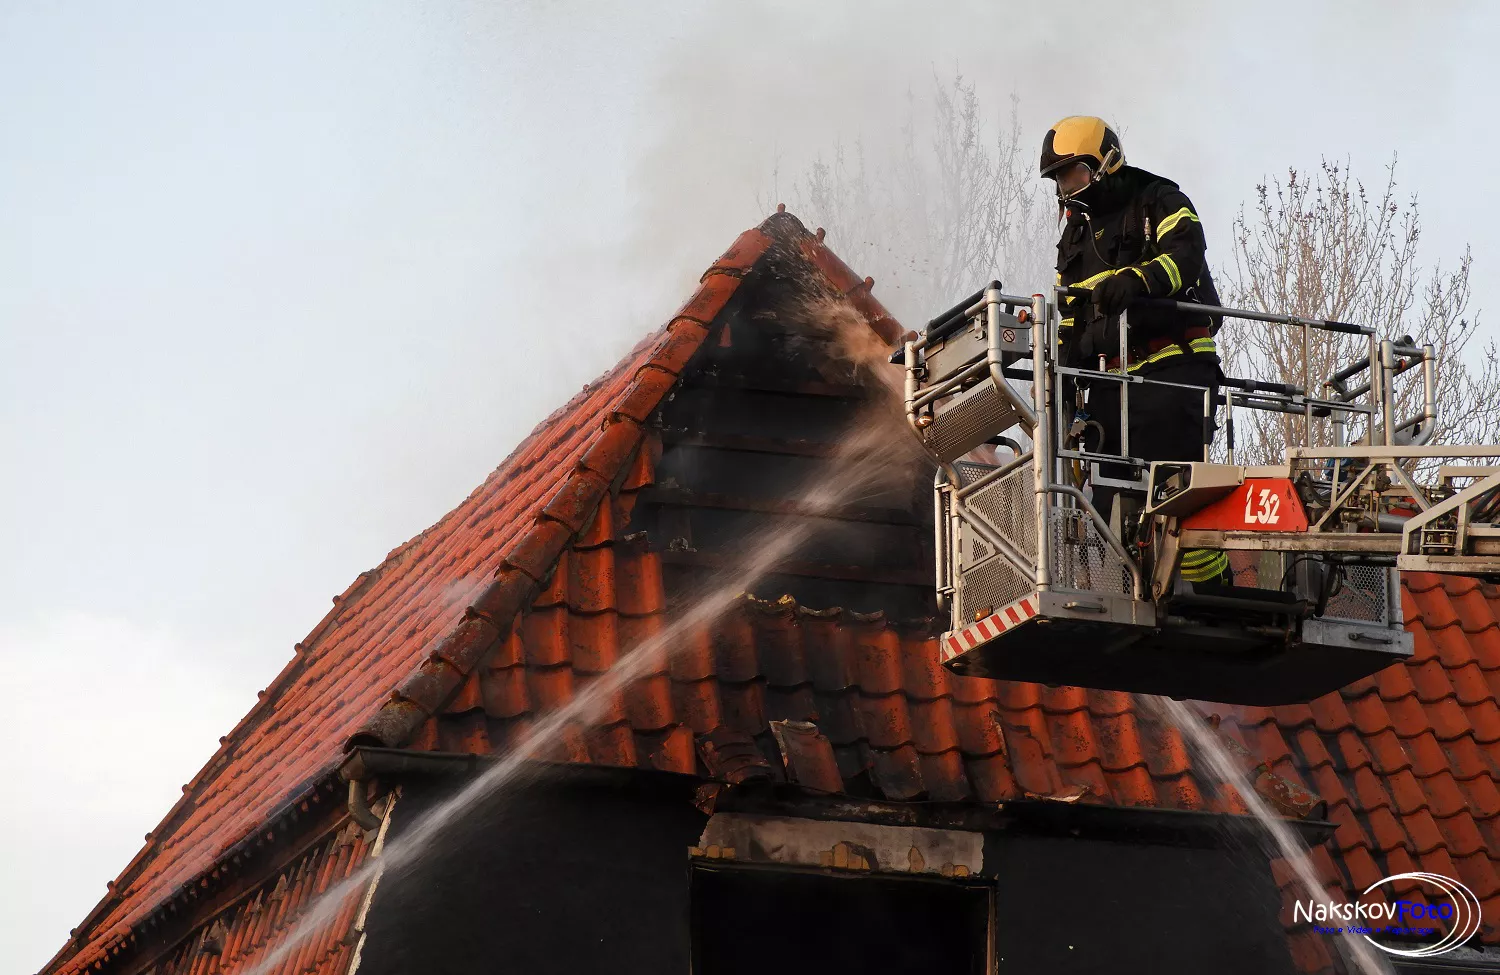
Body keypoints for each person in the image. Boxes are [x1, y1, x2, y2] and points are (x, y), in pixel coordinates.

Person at [1040, 116, 1230, 587]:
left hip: (1175, 371)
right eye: (1061, 178)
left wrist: (1139, 279)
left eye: (1074, 173)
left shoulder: (1158, 198)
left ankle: (1210, 593)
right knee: (1106, 507)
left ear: (1105, 162)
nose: (1068, 187)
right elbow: (1071, 317)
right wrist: (1061, 379)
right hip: (1112, 386)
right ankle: (1135, 594)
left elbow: (1188, 254)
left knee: (1176, 501)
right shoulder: (1075, 239)